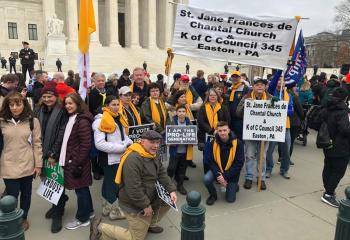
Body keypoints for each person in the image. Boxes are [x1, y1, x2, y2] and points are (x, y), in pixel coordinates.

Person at [90, 130, 177, 240]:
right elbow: (133, 188)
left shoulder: (151, 153)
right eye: (152, 142)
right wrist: (145, 205)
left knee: (169, 200)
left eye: (157, 142)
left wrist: (171, 190)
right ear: (142, 142)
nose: (155, 146)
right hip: (133, 203)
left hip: (149, 194)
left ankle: (149, 224)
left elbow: (161, 173)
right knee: (135, 238)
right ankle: (100, 228)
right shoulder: (133, 159)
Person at [0, 92, 42, 231]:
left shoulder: (32, 121)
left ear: (24, 104)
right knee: (12, 195)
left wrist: (38, 165)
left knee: (26, 194)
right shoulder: (2, 121)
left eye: (18, 104)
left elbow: (37, 144)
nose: (14, 107)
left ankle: (23, 217)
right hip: (8, 164)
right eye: (11, 104)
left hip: (27, 164)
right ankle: (12, 218)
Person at [34, 82, 69, 233]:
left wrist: (53, 153)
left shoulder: (62, 111)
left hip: (55, 154)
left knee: (56, 183)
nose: (47, 99)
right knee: (48, 182)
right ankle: (59, 203)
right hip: (41, 152)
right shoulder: (38, 109)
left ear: (56, 97)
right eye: (45, 96)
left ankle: (58, 213)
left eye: (50, 96)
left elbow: (61, 134)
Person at [92, 95, 133, 220]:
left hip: (117, 157)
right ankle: (115, 211)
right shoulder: (101, 121)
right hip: (109, 158)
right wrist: (121, 147)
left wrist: (130, 142)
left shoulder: (117, 118)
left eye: (117, 104)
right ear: (106, 106)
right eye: (113, 105)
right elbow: (99, 144)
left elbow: (122, 136)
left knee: (108, 183)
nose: (116, 107)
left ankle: (106, 207)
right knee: (112, 184)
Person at [60, 93, 94, 230]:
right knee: (83, 187)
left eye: (70, 103)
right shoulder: (73, 118)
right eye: (66, 103)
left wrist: (77, 162)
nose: (68, 106)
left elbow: (86, 144)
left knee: (80, 190)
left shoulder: (82, 121)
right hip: (74, 160)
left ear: (77, 104)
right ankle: (89, 211)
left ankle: (82, 218)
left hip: (77, 162)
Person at [236, 77, 272, 190]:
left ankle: (261, 179)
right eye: (257, 85)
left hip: (264, 132)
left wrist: (275, 105)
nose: (260, 86)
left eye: (262, 85)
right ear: (253, 87)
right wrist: (245, 106)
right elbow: (237, 113)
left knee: (262, 157)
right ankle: (249, 177)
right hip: (250, 132)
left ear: (265, 87)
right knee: (250, 155)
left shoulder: (271, 98)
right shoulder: (246, 97)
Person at [321, 87, 350, 208]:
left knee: (328, 166)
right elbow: (344, 129)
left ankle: (328, 190)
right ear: (345, 98)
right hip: (341, 146)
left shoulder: (327, 107)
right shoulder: (342, 111)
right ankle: (328, 194)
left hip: (327, 142)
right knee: (338, 171)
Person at [203, 122, 244, 205]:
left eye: (224, 130)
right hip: (218, 170)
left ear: (229, 130)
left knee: (230, 199)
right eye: (220, 131)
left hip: (232, 173)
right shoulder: (213, 143)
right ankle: (213, 195)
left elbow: (239, 164)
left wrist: (225, 176)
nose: (222, 133)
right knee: (206, 179)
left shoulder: (238, 143)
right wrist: (219, 176)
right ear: (217, 132)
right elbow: (211, 161)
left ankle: (234, 185)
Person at [266, 72, 294, 179]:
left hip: (285, 126)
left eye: (282, 80)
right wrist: (278, 72)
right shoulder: (271, 92)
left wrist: (282, 107)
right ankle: (268, 169)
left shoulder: (288, 95)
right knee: (269, 150)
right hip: (272, 126)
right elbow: (272, 84)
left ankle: (284, 170)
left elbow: (291, 112)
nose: (280, 81)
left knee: (286, 150)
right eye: (278, 80)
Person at [197, 88, 230, 172]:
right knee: (207, 155)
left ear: (217, 96)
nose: (212, 97)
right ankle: (207, 173)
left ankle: (217, 174)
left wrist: (219, 129)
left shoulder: (223, 107)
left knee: (219, 155)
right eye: (211, 95)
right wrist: (212, 130)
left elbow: (227, 120)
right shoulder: (203, 108)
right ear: (208, 96)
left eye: (214, 95)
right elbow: (201, 121)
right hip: (206, 135)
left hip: (220, 134)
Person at [167, 105, 193, 195]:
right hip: (175, 150)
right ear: (176, 113)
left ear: (186, 113)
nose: (181, 113)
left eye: (183, 111)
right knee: (171, 168)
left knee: (182, 168)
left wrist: (194, 140)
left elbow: (193, 135)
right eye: (179, 111)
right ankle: (168, 185)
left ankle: (180, 185)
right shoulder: (172, 123)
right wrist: (168, 141)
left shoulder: (189, 123)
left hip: (185, 151)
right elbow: (166, 135)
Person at [227, 71, 250, 140]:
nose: (235, 78)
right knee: (230, 138)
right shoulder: (230, 89)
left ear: (240, 78)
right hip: (230, 119)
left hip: (240, 119)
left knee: (239, 139)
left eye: (236, 77)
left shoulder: (245, 88)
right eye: (233, 77)